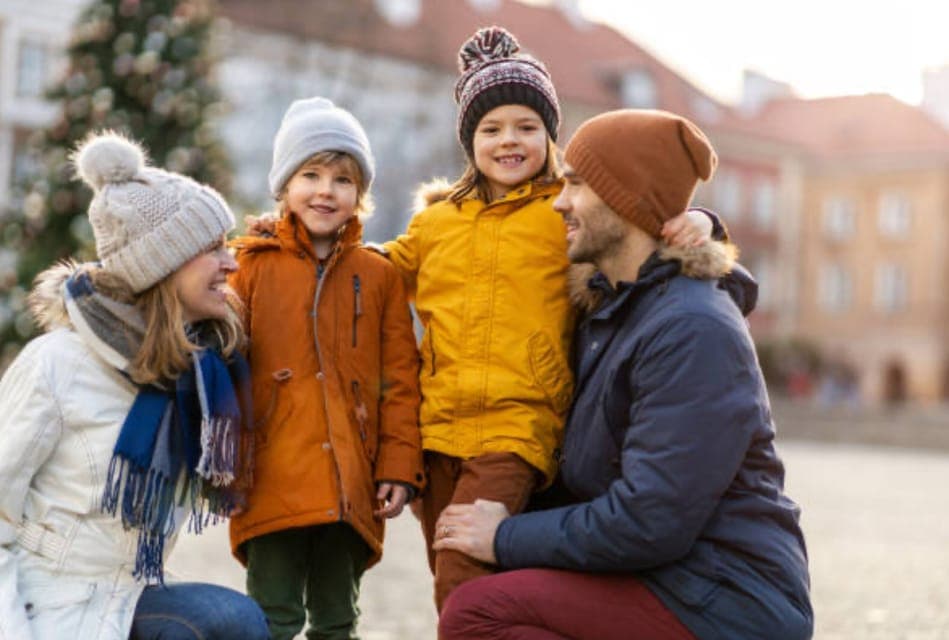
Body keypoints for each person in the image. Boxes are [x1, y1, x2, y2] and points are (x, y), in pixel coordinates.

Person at [380, 26, 724, 612]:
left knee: (462, 573)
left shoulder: (559, 211)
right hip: (437, 428)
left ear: (550, 136)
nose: (508, 141)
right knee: (454, 573)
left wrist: (704, 221)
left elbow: (634, 217)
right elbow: (378, 270)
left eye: (526, 127)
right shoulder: (436, 224)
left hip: (518, 425)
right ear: (470, 141)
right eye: (491, 129)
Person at [434, 109, 813, 640]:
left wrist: (505, 537)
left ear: (626, 200)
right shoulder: (613, 311)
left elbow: (649, 520)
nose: (560, 201)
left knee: (480, 612)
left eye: (578, 185)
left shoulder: (691, 330)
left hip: (721, 602)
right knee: (482, 588)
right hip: (665, 577)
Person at [0, 132, 269, 639]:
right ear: (162, 266)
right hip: (45, 608)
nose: (232, 263)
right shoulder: (57, 364)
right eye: (213, 249)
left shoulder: (199, 374)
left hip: (125, 598)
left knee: (235, 622)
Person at [227, 96, 425, 640]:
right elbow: (221, 361)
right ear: (284, 185)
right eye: (310, 174)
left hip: (350, 479)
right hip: (273, 473)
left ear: (359, 193)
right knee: (272, 616)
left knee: (338, 620)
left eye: (343, 179)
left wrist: (398, 467)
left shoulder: (378, 274)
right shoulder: (247, 266)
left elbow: (400, 381)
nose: (325, 190)